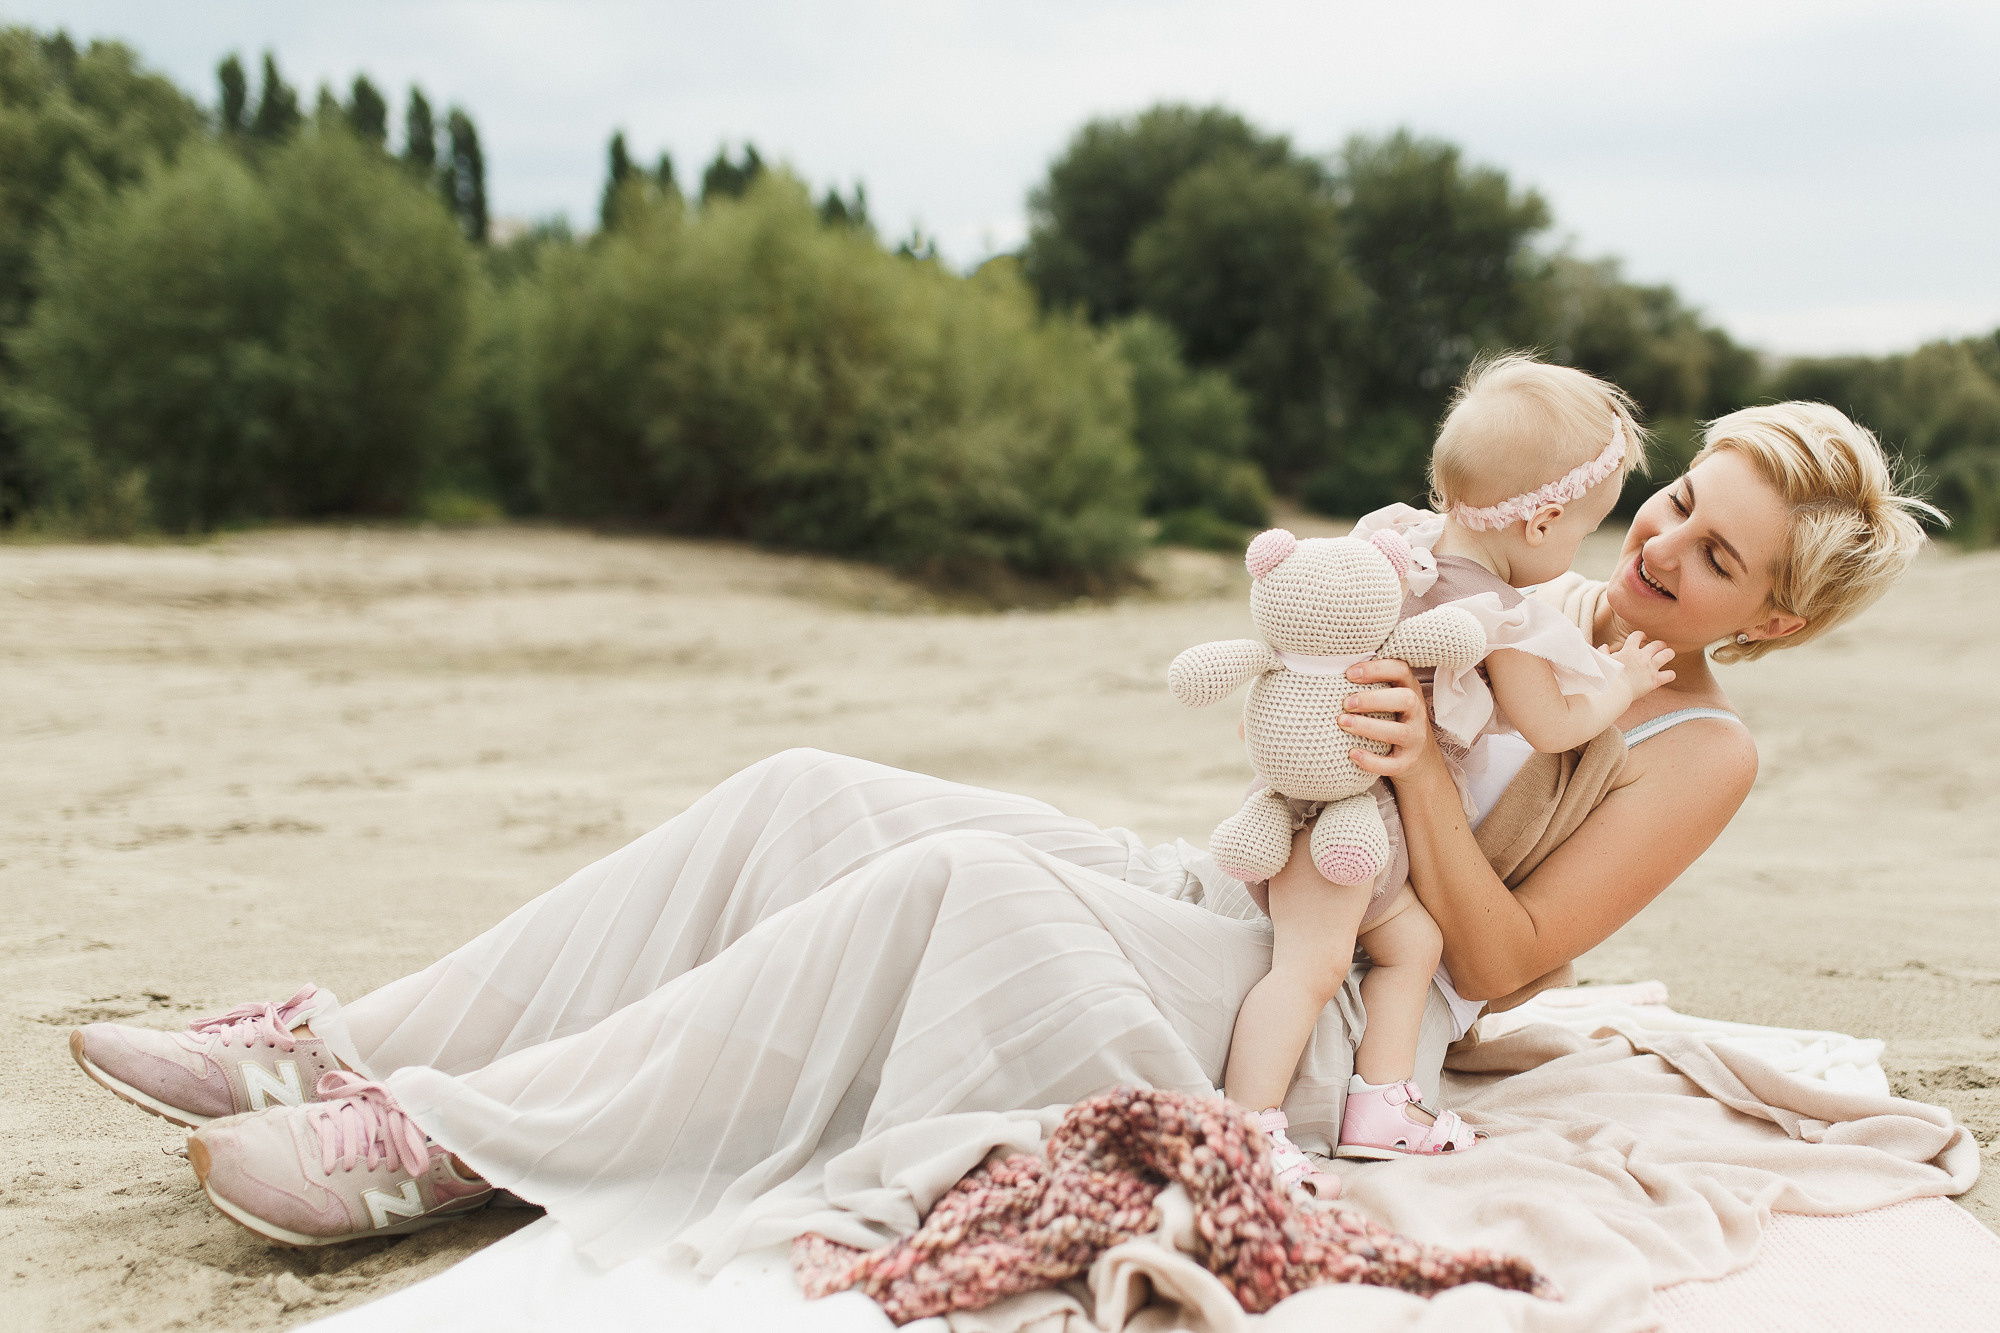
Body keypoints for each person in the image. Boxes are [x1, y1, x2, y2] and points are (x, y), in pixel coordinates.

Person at [68, 396, 1936, 1262]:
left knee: (962, 882)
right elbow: (1352, 623)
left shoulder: (1696, 744)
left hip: (1349, 1008)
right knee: (817, 791)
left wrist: (1422, 766)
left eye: (1719, 551)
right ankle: (348, 1042)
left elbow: (1517, 956)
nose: (1668, 541)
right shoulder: (1527, 597)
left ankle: (452, 1144)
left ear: (1769, 614)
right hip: (1242, 875)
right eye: (1685, 494)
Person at [1219, 357, 1677, 1188]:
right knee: (1310, 968)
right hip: (1340, 815)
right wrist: (1625, 683)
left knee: (1415, 942)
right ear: (1540, 522)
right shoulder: (1497, 615)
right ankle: (1243, 1131)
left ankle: (1383, 1104)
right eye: (1584, 528)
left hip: (1364, 820)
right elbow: (1552, 722)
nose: (1582, 550)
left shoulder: (1394, 544)